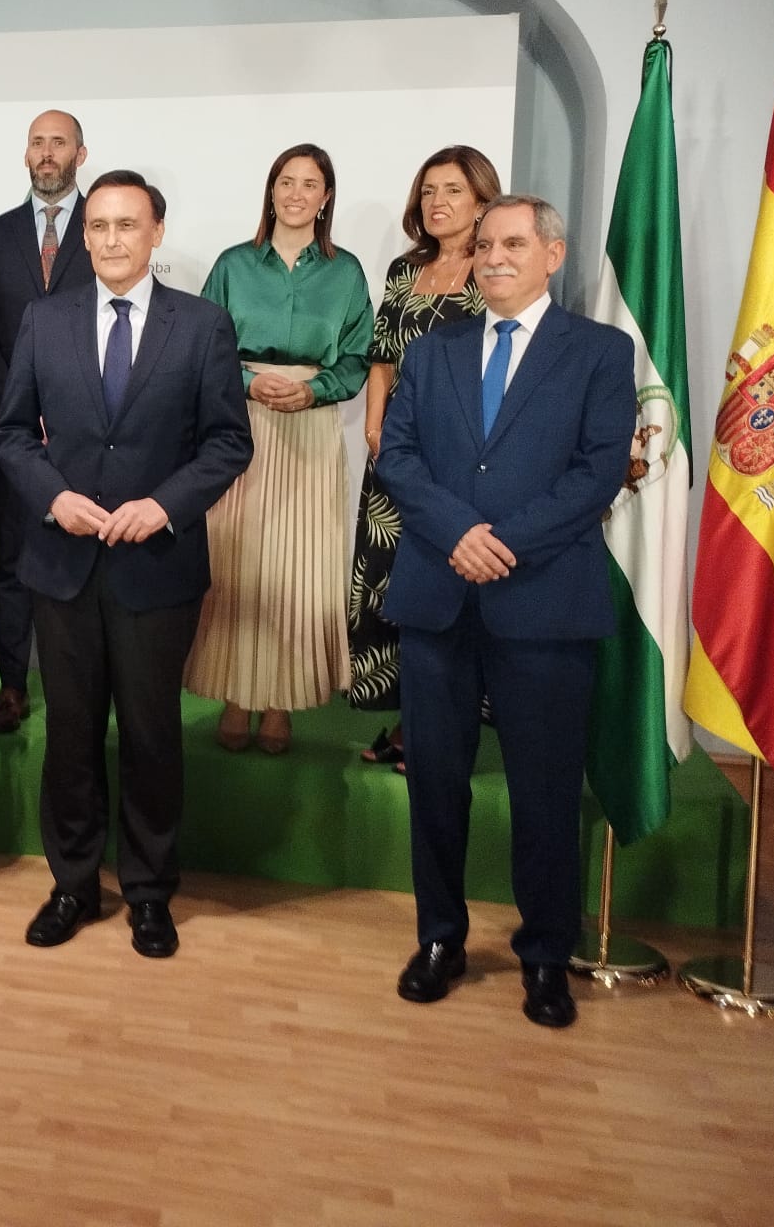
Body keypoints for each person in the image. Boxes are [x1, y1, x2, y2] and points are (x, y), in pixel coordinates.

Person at [377, 195, 634, 1029]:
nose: (493, 257)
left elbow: (598, 473)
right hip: (439, 597)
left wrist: (502, 543)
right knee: (437, 785)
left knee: (545, 793)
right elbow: (400, 456)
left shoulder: (600, 352)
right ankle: (440, 940)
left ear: (552, 255)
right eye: (485, 244)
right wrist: (460, 532)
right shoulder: (434, 348)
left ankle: (547, 957)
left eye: (513, 243)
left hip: (544, 602)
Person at [0, 170, 251, 958]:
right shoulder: (44, 319)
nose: (109, 239)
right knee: (69, 735)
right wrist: (53, 497)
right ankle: (72, 884)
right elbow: (7, 434)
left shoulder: (202, 325)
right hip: (63, 562)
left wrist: (164, 505)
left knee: (150, 736)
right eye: (98, 226)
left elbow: (227, 442)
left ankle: (147, 892)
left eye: (126, 225)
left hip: (157, 568)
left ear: (156, 234)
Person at [184, 144, 372, 755]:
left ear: (325, 198)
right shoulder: (234, 265)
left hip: (310, 428)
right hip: (239, 427)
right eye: (285, 182)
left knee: (300, 568)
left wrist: (316, 389)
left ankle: (282, 704)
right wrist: (245, 382)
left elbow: (358, 357)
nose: (295, 193)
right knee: (239, 563)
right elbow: (203, 349)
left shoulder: (346, 273)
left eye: (309, 183)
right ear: (271, 192)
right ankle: (237, 696)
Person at [349, 146, 500, 770]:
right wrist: (375, 428)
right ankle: (410, 720)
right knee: (391, 591)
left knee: (449, 594)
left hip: (460, 464)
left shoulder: (495, 272)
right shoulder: (403, 271)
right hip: (395, 461)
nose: (438, 203)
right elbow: (382, 357)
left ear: (482, 201)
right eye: (430, 191)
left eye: (454, 191)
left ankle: (442, 731)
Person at [0, 109, 99, 734]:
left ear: (81, 153)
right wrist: (23, 407)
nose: (47, 154)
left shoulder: (104, 229)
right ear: (25, 155)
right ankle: (13, 685)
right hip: (15, 436)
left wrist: (64, 409)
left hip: (89, 432)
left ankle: (82, 690)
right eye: (38, 143)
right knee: (13, 564)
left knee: (83, 564)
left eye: (59, 143)